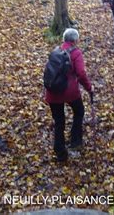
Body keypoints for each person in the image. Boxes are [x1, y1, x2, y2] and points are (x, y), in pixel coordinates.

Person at [45, 29, 93, 162]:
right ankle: (75, 141)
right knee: (79, 111)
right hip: (69, 91)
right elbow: (81, 73)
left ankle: (60, 151)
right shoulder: (76, 53)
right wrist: (89, 88)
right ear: (75, 40)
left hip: (53, 92)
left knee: (59, 121)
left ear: (64, 39)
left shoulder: (55, 51)